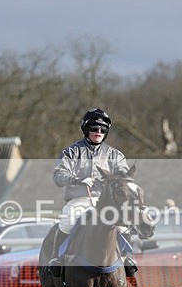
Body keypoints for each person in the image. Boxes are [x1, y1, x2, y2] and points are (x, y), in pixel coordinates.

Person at [47, 108, 138, 278]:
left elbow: (124, 176)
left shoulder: (115, 155)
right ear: (86, 129)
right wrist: (77, 180)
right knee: (67, 221)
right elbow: (58, 176)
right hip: (79, 200)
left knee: (123, 224)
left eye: (102, 130)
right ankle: (56, 259)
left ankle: (126, 257)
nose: (98, 132)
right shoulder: (71, 152)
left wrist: (114, 180)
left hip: (106, 201)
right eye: (94, 128)